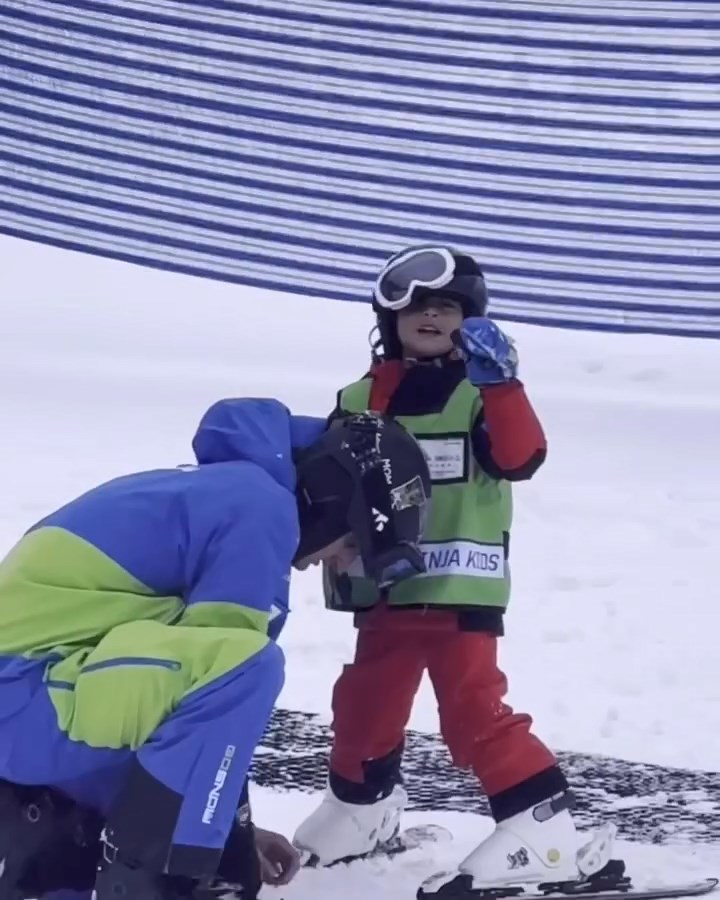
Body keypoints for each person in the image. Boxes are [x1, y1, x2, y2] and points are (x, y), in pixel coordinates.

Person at [0, 397, 432, 900]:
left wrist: (232, 832)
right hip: (28, 697)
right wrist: (215, 845)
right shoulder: (259, 506)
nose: (333, 563)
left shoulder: (224, 491)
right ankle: (158, 884)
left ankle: (62, 862)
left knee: (199, 700)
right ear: (335, 501)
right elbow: (221, 680)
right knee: (249, 666)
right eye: (351, 546)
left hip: (36, 699)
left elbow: (183, 714)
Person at [293, 245, 620, 896]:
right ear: (390, 320)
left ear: (468, 321)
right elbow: (329, 486)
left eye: (447, 307)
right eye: (416, 306)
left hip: (456, 588)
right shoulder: (360, 397)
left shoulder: (479, 391)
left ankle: (542, 828)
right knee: (361, 706)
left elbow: (521, 456)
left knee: (471, 710)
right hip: (383, 593)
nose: (431, 316)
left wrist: (503, 386)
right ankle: (361, 810)